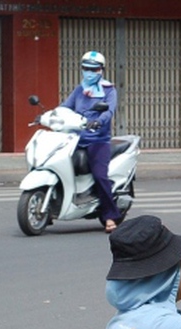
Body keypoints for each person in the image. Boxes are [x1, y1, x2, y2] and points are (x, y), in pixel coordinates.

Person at [60, 50, 121, 233]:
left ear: (101, 70)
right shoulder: (80, 90)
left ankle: (110, 215)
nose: (89, 72)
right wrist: (51, 115)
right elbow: (66, 107)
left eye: (93, 69)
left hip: (98, 140)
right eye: (86, 68)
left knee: (100, 175)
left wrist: (99, 121)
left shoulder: (109, 90)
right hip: (76, 138)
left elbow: (108, 111)